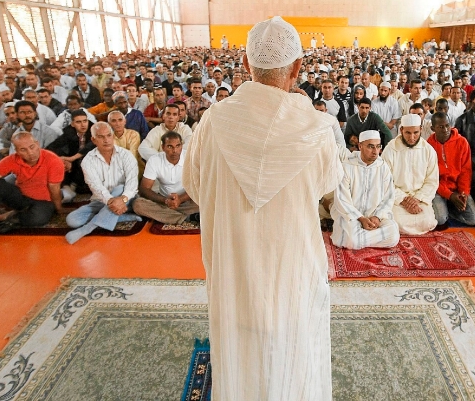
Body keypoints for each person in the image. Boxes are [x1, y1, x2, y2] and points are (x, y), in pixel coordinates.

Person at [182, 17, 342, 401]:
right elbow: (327, 186)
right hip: (292, 262)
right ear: (298, 68)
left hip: (234, 259)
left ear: (244, 65)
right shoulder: (317, 127)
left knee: (241, 343)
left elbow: (194, 186)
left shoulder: (213, 120)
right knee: (293, 340)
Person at [0, 132, 64, 249]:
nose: (30, 153)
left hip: (43, 200)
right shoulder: (12, 159)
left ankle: (10, 216)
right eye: (23, 150)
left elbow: (54, 188)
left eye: (32, 147)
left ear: (37, 144)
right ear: (17, 151)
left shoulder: (53, 160)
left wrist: (58, 209)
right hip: (21, 197)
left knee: (37, 218)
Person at [65, 122, 140, 244]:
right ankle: (118, 217)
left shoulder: (126, 155)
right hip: (100, 201)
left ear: (113, 136)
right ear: (93, 140)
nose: (106, 140)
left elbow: (132, 183)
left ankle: (88, 228)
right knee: (72, 220)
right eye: (101, 137)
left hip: (126, 199)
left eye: (109, 135)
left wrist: (122, 199)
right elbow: (96, 187)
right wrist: (111, 202)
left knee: (120, 188)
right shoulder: (88, 160)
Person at [330, 130, 399, 249]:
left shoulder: (383, 167)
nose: (375, 152)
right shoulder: (347, 167)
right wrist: (361, 219)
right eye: (370, 147)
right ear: (360, 146)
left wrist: (377, 217)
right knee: (353, 240)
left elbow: (389, 197)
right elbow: (342, 200)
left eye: (378, 147)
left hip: (375, 216)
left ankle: (362, 239)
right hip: (352, 217)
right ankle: (367, 238)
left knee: (393, 236)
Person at [381, 114, 438, 234]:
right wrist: (404, 199)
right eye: (408, 133)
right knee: (397, 222)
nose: (412, 137)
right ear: (401, 130)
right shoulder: (390, 149)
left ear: (421, 130)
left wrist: (416, 199)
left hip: (420, 197)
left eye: (416, 132)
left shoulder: (428, 150)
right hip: (396, 198)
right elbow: (384, 181)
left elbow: (432, 181)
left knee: (428, 222)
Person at [132, 131, 198, 224]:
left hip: (187, 201)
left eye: (178, 146)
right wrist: (166, 201)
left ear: (182, 146)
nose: (174, 150)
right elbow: (144, 189)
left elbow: (197, 186)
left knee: (207, 200)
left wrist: (180, 199)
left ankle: (169, 216)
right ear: (163, 147)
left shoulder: (190, 157)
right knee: (137, 204)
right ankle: (186, 218)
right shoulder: (155, 160)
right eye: (170, 146)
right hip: (163, 202)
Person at [426, 112, 475, 226]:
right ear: (432, 128)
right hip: (438, 189)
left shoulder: (462, 142)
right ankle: (445, 209)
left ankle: (448, 209)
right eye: (440, 127)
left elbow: (466, 171)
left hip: (457, 189)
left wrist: (463, 194)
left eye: (447, 125)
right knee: (441, 219)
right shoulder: (428, 146)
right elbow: (431, 178)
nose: (445, 129)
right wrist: (449, 195)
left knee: (473, 219)